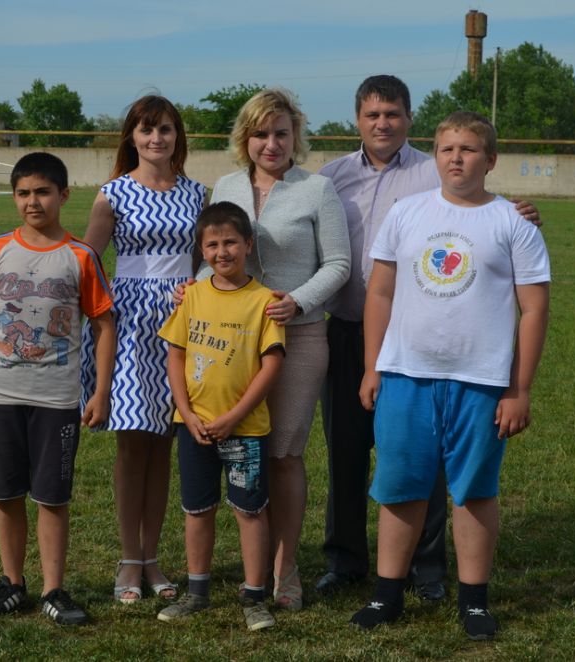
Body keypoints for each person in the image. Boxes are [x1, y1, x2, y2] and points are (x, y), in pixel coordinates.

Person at [316, 75, 542, 601]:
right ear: (357, 119)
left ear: (408, 119)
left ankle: (428, 570)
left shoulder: (429, 171)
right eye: (372, 114)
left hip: (427, 343)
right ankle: (345, 561)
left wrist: (520, 214)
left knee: (428, 461)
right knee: (348, 453)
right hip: (353, 333)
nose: (382, 123)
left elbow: (483, 218)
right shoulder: (331, 178)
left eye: (392, 114)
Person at [201, 88, 351, 610]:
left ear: (296, 136)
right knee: (247, 451)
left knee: (284, 453)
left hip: (299, 337)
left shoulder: (317, 190)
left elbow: (337, 264)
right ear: (245, 138)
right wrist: (194, 288)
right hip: (232, 343)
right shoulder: (223, 185)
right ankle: (252, 566)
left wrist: (300, 301)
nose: (271, 143)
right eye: (261, 133)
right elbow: (213, 253)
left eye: (281, 133)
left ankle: (285, 570)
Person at [0, 152, 116, 627]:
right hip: (0, 393)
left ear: (64, 196)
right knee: (5, 494)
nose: (33, 201)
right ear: (13, 197)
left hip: (56, 399)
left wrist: (101, 391)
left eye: (43, 192)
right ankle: (12, 583)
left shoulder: (81, 256)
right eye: (24, 193)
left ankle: (53, 589)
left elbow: (104, 325)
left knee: (52, 496)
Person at [79, 95, 206, 604]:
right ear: (131, 136)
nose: (157, 138)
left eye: (167, 130)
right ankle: (129, 558)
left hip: (181, 323)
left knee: (164, 445)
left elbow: (203, 259)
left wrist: (193, 287)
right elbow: (89, 261)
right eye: (147, 129)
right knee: (133, 442)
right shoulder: (112, 194)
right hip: (129, 325)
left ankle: (153, 557)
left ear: (178, 137)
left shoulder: (197, 193)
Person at [156, 202, 285, 631]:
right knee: (197, 509)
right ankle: (197, 592)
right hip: (193, 428)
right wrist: (186, 413)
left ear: (248, 244)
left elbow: (271, 366)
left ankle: (254, 597)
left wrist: (234, 416)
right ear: (201, 249)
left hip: (244, 430)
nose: (222, 251)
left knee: (249, 511)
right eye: (212, 244)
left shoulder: (264, 301)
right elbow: (175, 355)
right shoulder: (191, 295)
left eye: (230, 241)